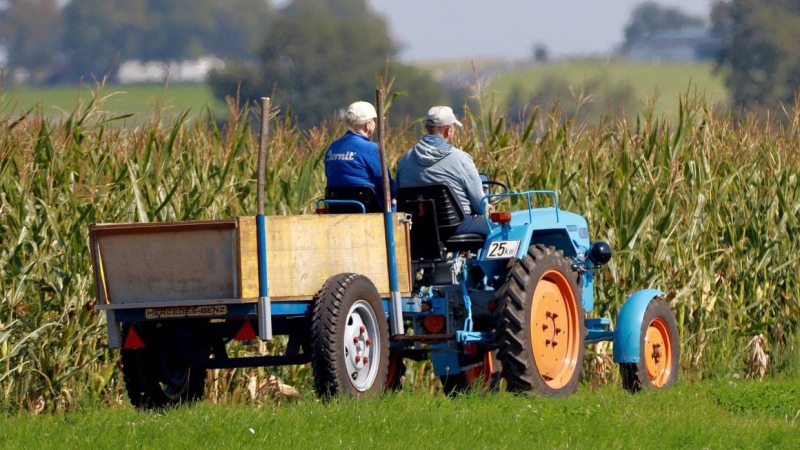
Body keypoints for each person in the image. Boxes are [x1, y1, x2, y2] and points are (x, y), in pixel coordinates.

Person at [396, 106, 490, 236]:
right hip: (456, 226)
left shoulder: (405, 160)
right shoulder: (461, 159)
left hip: (418, 229)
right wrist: (486, 207)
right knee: (497, 229)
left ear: (427, 128)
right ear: (448, 130)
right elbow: (480, 206)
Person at [324, 101, 395, 210]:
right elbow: (385, 183)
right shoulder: (371, 148)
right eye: (373, 121)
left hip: (335, 207)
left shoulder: (332, 147)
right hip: (366, 207)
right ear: (368, 125)